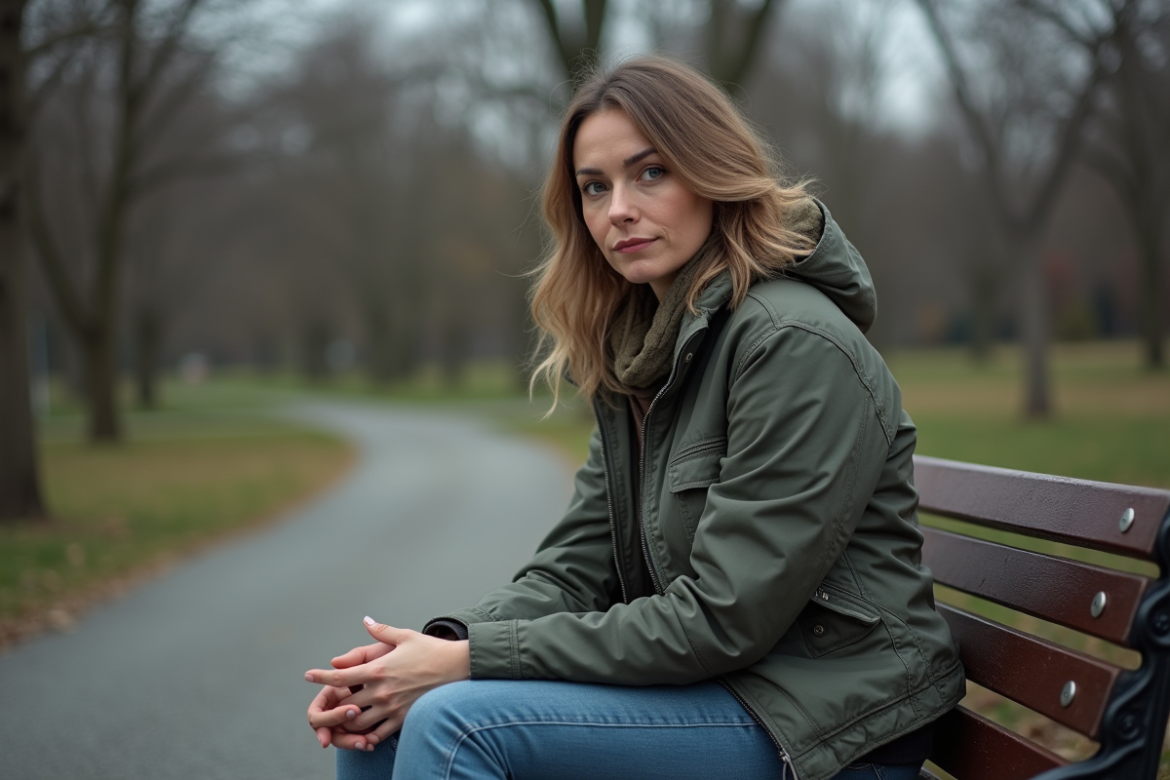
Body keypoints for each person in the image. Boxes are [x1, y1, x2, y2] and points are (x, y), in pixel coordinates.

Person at [304, 56, 964, 780]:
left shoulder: (791, 344)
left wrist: (466, 666)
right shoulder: (644, 358)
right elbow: (570, 572)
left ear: (713, 174)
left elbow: (723, 618)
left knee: (456, 725)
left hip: (826, 722)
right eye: (595, 187)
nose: (617, 208)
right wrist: (423, 654)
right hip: (720, 692)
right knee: (385, 720)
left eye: (650, 173)